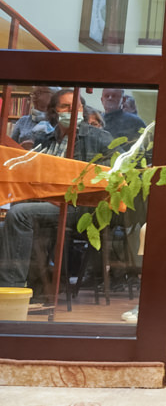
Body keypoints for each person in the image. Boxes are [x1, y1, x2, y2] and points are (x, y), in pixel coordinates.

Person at [0, 89, 115, 289]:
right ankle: (37, 285)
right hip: (45, 202)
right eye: (65, 107)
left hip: (77, 206)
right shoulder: (44, 140)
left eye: (76, 107)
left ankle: (10, 288)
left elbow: (122, 167)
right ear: (53, 111)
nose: (72, 112)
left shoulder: (99, 137)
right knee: (6, 223)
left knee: (19, 215)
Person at [10, 86, 59, 150]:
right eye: (33, 93)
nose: (34, 96)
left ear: (53, 95)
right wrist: (20, 147)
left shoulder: (60, 121)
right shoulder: (23, 121)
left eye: (39, 93)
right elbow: (11, 146)